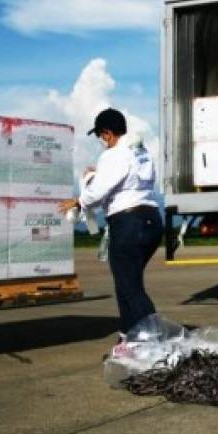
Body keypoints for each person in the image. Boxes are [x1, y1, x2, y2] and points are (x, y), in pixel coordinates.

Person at [58, 108, 162, 334]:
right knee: (128, 284)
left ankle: (155, 340)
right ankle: (130, 336)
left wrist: (78, 201)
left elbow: (97, 193)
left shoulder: (113, 155)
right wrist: (101, 172)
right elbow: (125, 177)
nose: (101, 141)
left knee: (129, 287)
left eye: (100, 136)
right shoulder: (141, 153)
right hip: (152, 221)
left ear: (107, 133)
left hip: (128, 224)